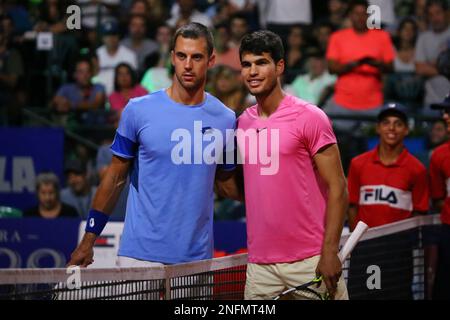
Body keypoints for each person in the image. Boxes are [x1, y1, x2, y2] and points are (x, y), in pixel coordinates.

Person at [68, 23, 236, 269]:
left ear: (210, 61)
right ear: (172, 58)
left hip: (196, 259)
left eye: (196, 57)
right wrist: (88, 239)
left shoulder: (227, 119)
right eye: (181, 56)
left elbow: (227, 184)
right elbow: (115, 177)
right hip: (138, 255)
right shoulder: (137, 110)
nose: (188, 65)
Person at [237, 30, 348, 300]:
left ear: (280, 66)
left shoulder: (310, 117)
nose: (253, 71)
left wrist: (330, 252)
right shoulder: (242, 122)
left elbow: (339, 188)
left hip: (310, 260)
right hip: (260, 264)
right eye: (247, 64)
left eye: (261, 62)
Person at [346, 103, 429, 300]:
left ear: (406, 130)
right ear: (378, 128)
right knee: (362, 296)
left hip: (398, 251)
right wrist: (358, 241)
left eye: (398, 123)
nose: (391, 128)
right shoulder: (358, 164)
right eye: (386, 123)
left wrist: (403, 243)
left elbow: (420, 213)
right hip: (365, 248)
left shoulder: (417, 169)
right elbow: (351, 206)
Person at [325, 0, 395, 131]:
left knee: (373, 148)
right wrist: (353, 65)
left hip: (373, 104)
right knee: (341, 147)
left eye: (364, 14)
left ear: (369, 16)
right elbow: (332, 68)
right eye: (356, 13)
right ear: (350, 15)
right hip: (343, 104)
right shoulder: (337, 37)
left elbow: (390, 67)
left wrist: (375, 64)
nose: (360, 17)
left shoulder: (382, 36)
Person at [429, 95, 450, 299]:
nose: (445, 116)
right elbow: (438, 198)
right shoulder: (439, 156)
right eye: (445, 111)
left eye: (449, 111)